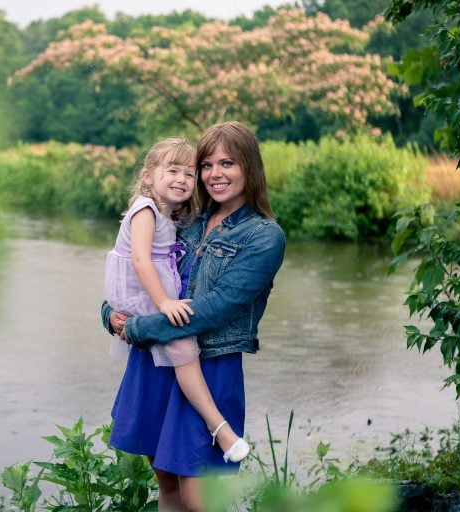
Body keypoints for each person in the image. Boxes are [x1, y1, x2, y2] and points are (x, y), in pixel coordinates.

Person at [102, 122, 286, 511]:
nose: (213, 175)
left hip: (211, 365)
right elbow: (135, 266)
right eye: (206, 165)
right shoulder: (188, 219)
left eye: (227, 163)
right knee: (167, 485)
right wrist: (110, 314)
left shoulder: (264, 236)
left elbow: (217, 307)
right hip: (157, 363)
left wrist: (135, 328)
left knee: (200, 499)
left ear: (249, 168)